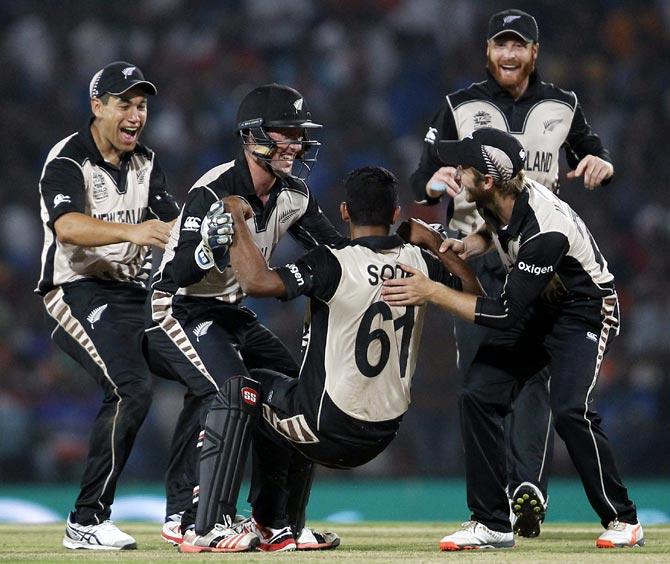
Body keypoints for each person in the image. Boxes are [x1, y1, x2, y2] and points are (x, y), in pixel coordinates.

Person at [178, 165, 482, 553]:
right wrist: (430, 239)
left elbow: (258, 283)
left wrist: (235, 219)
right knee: (291, 389)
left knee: (240, 388)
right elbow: (474, 292)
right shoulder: (418, 261)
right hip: (384, 433)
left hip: (328, 426)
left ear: (343, 212)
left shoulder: (332, 260)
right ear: (394, 214)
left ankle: (206, 524)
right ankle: (276, 526)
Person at [384, 128, 643, 550]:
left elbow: (503, 314)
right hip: (544, 308)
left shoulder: (545, 232)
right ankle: (492, 522)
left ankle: (623, 518)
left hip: (585, 311)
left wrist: (432, 291)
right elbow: (497, 231)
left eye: (464, 168)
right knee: (478, 393)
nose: (456, 173)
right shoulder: (501, 197)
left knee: (569, 410)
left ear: (487, 180)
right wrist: (472, 244)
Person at [409, 8, 615, 537]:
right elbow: (420, 177)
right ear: (487, 50)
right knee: (482, 378)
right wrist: (435, 184)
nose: (508, 54)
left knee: (534, 381)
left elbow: (592, 152)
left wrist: (600, 163)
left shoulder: (563, 105)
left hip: (536, 259)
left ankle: (527, 490)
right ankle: (499, 494)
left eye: (517, 45)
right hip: (476, 255)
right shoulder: (460, 106)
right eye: (500, 44)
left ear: (534, 52)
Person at [145, 83, 350, 552]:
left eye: (299, 132)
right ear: (253, 135)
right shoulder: (212, 189)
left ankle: (277, 522)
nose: (296, 142)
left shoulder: (295, 194)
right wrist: (205, 249)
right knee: (232, 388)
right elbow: (176, 270)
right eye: (286, 132)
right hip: (175, 306)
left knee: (297, 390)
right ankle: (197, 519)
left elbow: (336, 250)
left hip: (231, 312)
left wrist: (380, 253)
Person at [36, 61, 180, 550]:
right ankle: (86, 520)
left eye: (141, 105)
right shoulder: (67, 160)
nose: (136, 114)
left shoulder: (147, 161)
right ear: (97, 107)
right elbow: (67, 227)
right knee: (130, 390)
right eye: (125, 104)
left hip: (133, 294)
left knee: (214, 377)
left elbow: (170, 219)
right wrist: (133, 231)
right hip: (77, 290)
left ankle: (189, 513)